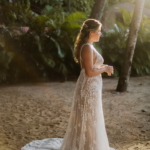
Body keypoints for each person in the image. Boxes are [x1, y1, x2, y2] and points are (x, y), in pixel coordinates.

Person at [21, 19, 116, 150]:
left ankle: (89, 145)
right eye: (98, 31)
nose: (100, 33)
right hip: (89, 87)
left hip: (93, 87)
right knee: (88, 117)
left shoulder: (89, 46)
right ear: (91, 32)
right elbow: (89, 71)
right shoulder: (87, 47)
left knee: (91, 117)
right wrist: (105, 69)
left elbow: (94, 66)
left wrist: (104, 66)